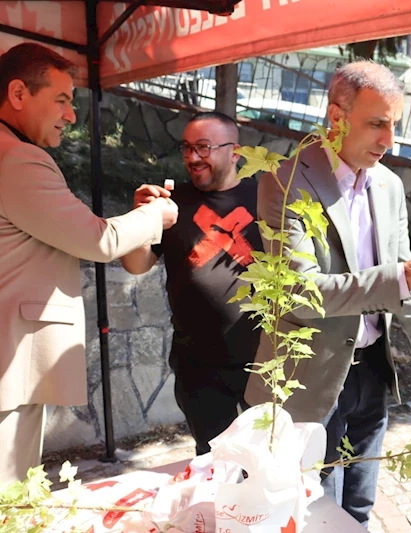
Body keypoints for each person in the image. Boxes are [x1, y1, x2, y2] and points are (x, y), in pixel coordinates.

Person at [244, 61, 411, 527]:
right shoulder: (286, 181)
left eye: (394, 124)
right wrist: (402, 277)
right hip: (307, 382)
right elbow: (301, 293)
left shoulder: (390, 185)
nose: (389, 140)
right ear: (336, 117)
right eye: (377, 124)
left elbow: (408, 280)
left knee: (358, 509)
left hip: (371, 378)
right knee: (309, 515)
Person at [0, 42, 178, 482]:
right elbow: (98, 240)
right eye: (61, 99)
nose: (71, 115)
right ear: (18, 93)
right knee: (10, 494)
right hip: (9, 366)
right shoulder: (18, 159)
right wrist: (154, 216)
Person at [120, 111, 262, 455]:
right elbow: (136, 265)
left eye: (204, 147)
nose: (193, 157)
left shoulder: (266, 199)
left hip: (262, 360)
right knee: (213, 463)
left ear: (235, 152)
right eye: (187, 147)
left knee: (265, 460)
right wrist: (141, 217)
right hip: (199, 365)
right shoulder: (170, 205)